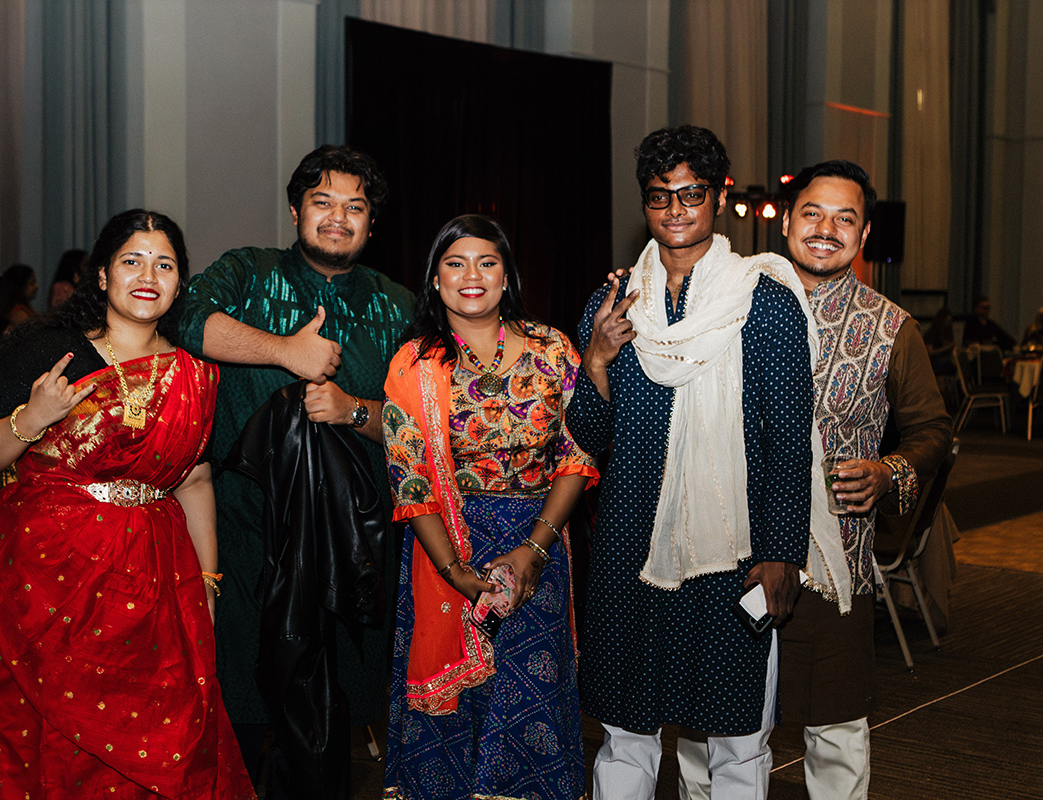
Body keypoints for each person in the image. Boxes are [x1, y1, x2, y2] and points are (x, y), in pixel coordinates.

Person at [678, 160, 953, 800]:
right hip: (726, 546)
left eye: (845, 218)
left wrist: (891, 473)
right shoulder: (729, 300)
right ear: (788, 219)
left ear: (862, 236)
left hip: (834, 559)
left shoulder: (892, 327)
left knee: (835, 725)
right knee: (707, 723)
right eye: (813, 213)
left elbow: (932, 430)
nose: (826, 229)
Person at [0, 209, 255, 799]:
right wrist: (31, 419)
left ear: (179, 283)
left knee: (161, 742)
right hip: (45, 579)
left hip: (156, 582)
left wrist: (209, 585)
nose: (149, 274)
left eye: (164, 264)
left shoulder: (195, 372)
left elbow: (195, 481)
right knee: (50, 741)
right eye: (132, 260)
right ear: (102, 276)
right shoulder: (51, 352)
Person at [567, 125, 817, 799]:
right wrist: (596, 357)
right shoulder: (614, 304)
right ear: (644, 204)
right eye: (659, 196)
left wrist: (782, 551)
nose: (675, 210)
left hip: (734, 554)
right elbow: (589, 435)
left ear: (718, 197)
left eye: (690, 193)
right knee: (625, 734)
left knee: (738, 740)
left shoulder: (764, 304)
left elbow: (791, 441)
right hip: (630, 550)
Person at [176, 145, 414, 788]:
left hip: (355, 536)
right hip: (247, 526)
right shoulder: (248, 273)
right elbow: (183, 317)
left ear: (371, 223)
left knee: (332, 718)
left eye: (354, 207)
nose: (338, 218)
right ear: (294, 209)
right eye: (323, 203)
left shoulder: (398, 305)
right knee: (244, 702)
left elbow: (425, 424)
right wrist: (285, 351)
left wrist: (351, 409)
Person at [381, 214, 597, 800]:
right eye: (455, 263)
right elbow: (411, 480)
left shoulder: (553, 348)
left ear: (507, 275)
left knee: (529, 704)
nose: (471, 275)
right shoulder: (414, 362)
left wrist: (533, 549)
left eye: (486, 262)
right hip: (447, 549)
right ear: (435, 280)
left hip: (539, 544)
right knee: (456, 717)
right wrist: (456, 572)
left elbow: (578, 454)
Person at [923, 307, 957, 375]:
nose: (948, 324)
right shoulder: (932, 333)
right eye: (947, 321)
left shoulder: (946, 332)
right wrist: (946, 347)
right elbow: (929, 352)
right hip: (934, 362)